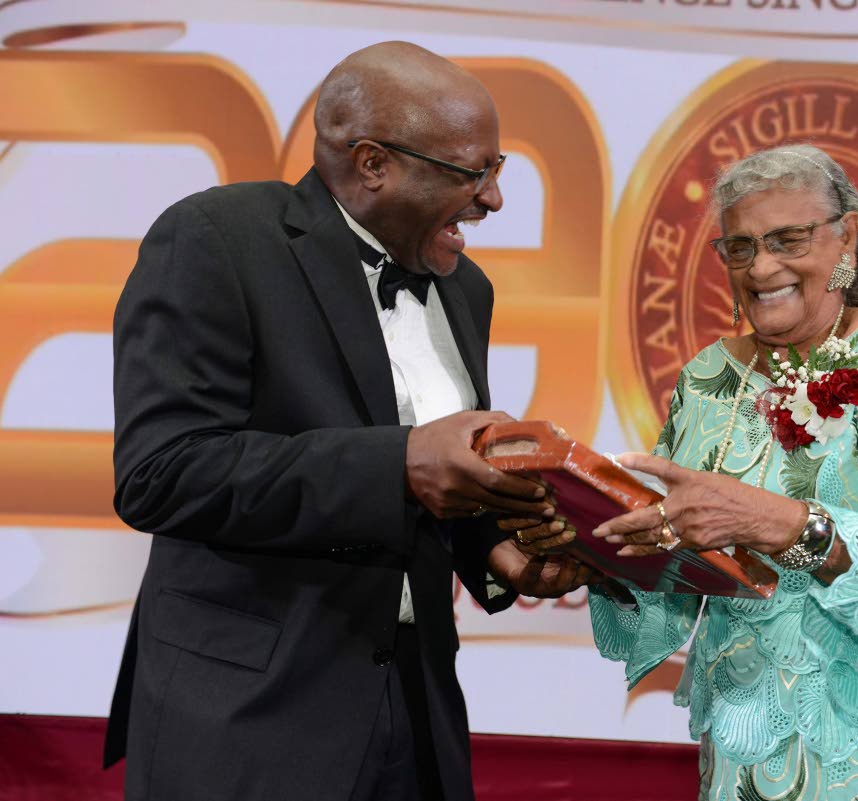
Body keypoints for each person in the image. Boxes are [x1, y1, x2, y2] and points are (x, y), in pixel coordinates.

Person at [103, 41, 593, 801]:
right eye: (474, 172)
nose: (493, 200)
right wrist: (399, 461)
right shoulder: (215, 239)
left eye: (499, 169)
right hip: (246, 718)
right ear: (373, 164)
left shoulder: (466, 288)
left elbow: (429, 487)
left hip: (417, 711)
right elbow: (162, 473)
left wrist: (498, 553)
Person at [575, 144, 858, 799]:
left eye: (788, 240)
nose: (762, 266)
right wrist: (593, 549)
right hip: (751, 747)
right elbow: (670, 601)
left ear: (847, 238)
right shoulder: (709, 379)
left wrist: (772, 520)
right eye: (740, 247)